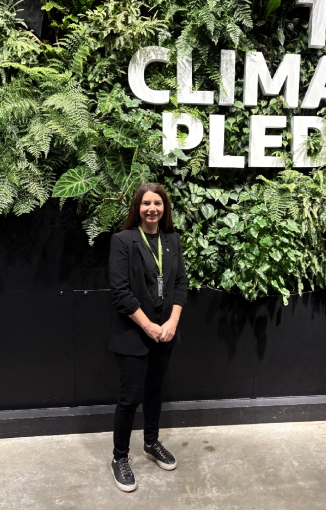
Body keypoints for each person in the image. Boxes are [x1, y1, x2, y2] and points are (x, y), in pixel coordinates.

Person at [108, 183, 188, 492]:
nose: (152, 208)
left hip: (165, 331)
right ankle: (119, 458)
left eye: (157, 203)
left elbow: (180, 283)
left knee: (155, 391)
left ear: (164, 208)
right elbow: (121, 293)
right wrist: (149, 326)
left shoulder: (172, 240)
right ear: (137, 208)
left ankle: (151, 443)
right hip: (134, 332)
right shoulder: (123, 241)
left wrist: (171, 322)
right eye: (146, 203)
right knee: (130, 397)